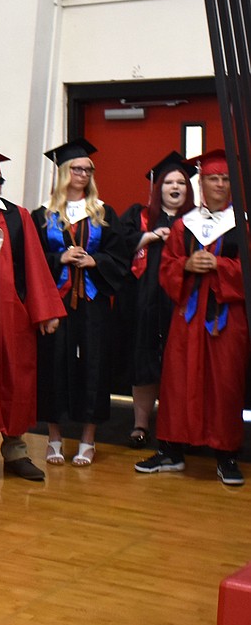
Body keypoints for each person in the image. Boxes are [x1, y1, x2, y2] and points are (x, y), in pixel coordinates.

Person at [135, 149, 248, 485]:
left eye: (225, 178)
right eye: (213, 178)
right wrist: (185, 265)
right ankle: (172, 451)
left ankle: (226, 456)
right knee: (178, 381)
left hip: (226, 318)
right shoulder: (186, 224)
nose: (220, 184)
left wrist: (222, 266)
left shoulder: (242, 223)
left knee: (225, 383)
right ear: (202, 183)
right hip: (187, 317)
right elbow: (166, 267)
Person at [31, 138, 128, 467]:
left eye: (88, 169)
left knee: (95, 366)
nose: (83, 173)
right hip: (56, 303)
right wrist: (60, 256)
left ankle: (88, 438)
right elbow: (30, 260)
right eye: (77, 168)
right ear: (63, 172)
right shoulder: (43, 215)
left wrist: (95, 261)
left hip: (92, 301)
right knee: (53, 365)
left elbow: (120, 257)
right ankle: (54, 436)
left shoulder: (103, 213)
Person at [0, 151, 65, 481]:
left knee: (16, 380)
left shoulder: (17, 216)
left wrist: (45, 311)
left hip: (13, 315)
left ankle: (16, 451)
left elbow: (36, 265)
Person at [115, 152, 196, 449]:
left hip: (182, 303)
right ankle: (140, 424)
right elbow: (116, 245)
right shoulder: (140, 215)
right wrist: (148, 237)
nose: (175, 188)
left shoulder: (199, 220)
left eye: (181, 183)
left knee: (181, 365)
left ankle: (179, 426)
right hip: (145, 303)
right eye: (169, 182)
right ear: (158, 186)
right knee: (144, 361)